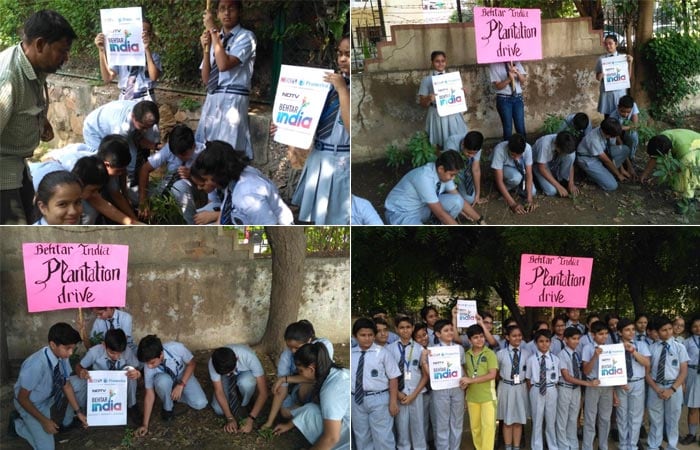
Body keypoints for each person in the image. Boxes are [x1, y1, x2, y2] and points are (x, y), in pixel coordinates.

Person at [0, 10, 76, 224]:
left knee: (30, 232)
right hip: (3, 175)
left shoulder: (35, 66)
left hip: (18, 168)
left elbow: (23, 104)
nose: (66, 58)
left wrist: (41, 121)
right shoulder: (8, 78)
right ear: (40, 44)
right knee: (14, 244)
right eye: (62, 50)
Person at [290, 35, 351, 225]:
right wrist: (287, 126)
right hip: (319, 154)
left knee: (336, 216)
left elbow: (351, 128)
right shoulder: (327, 85)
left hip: (340, 159)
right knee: (316, 214)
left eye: (348, 54)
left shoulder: (355, 88)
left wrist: (342, 90)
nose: (342, 59)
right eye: (340, 54)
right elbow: (307, 115)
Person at [9, 323, 87, 449]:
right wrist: (44, 421)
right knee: (47, 448)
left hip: (49, 396)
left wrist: (78, 412)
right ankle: (18, 425)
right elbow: (22, 398)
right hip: (32, 404)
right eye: (67, 348)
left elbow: (65, 384)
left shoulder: (62, 356)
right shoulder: (36, 365)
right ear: (52, 345)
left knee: (81, 382)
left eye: (73, 348)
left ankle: (67, 421)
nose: (71, 353)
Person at [198, 0, 256, 158]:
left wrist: (212, 31)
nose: (226, 13)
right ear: (216, 14)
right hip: (213, 97)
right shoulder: (216, 39)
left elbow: (223, 65)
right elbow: (206, 79)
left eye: (231, 9)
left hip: (233, 100)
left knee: (228, 152)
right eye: (222, 9)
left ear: (240, 12)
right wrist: (206, 49)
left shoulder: (246, 37)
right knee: (207, 149)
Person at [191, 140, 293, 225]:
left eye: (207, 179)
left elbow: (269, 229)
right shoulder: (233, 182)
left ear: (219, 173)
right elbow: (223, 215)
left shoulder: (247, 197)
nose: (208, 184)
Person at [272, 343, 350, 449]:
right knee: (311, 408)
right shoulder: (336, 372)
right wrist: (289, 425)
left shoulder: (331, 391)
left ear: (311, 369)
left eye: (300, 371)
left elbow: (332, 437)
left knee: (328, 438)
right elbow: (311, 379)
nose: (300, 374)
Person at [262, 320, 334, 430]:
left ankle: (309, 414)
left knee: (307, 386)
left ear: (309, 340)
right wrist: (269, 422)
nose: (293, 351)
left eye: (297, 347)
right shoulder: (286, 355)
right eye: (289, 347)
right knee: (285, 412)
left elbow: (319, 376)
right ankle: (305, 413)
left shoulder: (322, 347)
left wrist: (286, 379)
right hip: (299, 388)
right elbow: (282, 388)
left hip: (321, 387)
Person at [82, 99, 161, 196]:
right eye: (143, 127)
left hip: (113, 126)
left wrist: (157, 146)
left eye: (148, 127)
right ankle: (104, 195)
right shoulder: (121, 128)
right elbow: (121, 162)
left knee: (128, 163)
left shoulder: (144, 111)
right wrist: (123, 193)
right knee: (104, 167)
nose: (145, 131)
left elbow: (141, 141)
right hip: (95, 130)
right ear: (133, 117)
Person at [384, 151, 484, 225]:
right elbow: (440, 213)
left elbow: (459, 199)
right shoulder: (423, 177)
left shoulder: (444, 175)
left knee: (457, 201)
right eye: (452, 175)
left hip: (422, 208)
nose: (453, 178)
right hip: (401, 213)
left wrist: (480, 220)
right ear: (441, 169)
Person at [135, 335, 207, 437]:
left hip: (183, 375)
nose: (149, 366)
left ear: (160, 355)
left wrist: (181, 385)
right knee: (162, 381)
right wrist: (145, 425)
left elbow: (192, 364)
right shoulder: (148, 367)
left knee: (201, 403)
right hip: (165, 380)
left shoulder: (176, 348)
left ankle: (175, 397)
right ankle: (168, 408)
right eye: (147, 363)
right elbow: (149, 394)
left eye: (152, 363)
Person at [68, 329, 142, 425]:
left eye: (119, 354)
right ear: (104, 345)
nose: (116, 357)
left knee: (131, 376)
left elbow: (136, 367)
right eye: (112, 353)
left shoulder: (127, 351)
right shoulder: (95, 351)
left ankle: (132, 406)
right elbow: (79, 366)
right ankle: (81, 412)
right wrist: (81, 372)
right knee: (76, 382)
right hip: (100, 387)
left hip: (118, 386)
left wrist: (137, 373)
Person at [138, 124, 204, 224]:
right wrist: (143, 201)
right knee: (133, 192)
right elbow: (145, 169)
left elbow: (208, 184)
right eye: (177, 155)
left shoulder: (203, 153)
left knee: (180, 186)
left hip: (190, 191)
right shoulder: (170, 148)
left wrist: (191, 175)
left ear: (193, 146)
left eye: (184, 155)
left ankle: (193, 224)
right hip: (164, 188)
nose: (181, 158)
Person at [351, 317, 399, 450]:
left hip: (379, 398)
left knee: (383, 437)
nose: (367, 338)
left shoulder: (383, 353)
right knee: (362, 437)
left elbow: (393, 378)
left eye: (370, 335)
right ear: (355, 336)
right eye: (363, 335)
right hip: (356, 399)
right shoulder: (352, 354)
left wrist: (393, 401)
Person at [645, 317, 689, 450]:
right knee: (655, 419)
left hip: (674, 387)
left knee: (673, 420)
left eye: (670, 329)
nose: (668, 332)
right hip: (656, 387)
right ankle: (654, 446)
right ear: (657, 332)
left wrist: (672, 389)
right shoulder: (651, 348)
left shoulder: (680, 348)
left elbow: (683, 372)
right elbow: (646, 373)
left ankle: (672, 446)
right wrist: (657, 389)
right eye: (664, 330)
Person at [385, 316, 429, 450]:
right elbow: (386, 375)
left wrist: (414, 395)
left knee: (418, 427)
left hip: (416, 393)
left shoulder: (421, 349)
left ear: (413, 328)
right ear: (396, 330)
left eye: (408, 327)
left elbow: (426, 375)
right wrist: (397, 393)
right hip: (399, 394)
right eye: (402, 328)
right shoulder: (389, 349)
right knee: (402, 427)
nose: (405, 330)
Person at [95, 18, 162, 102]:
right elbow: (107, 78)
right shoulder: (120, 54)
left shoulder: (153, 56)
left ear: (150, 35)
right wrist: (101, 51)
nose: (141, 35)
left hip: (146, 98)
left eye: (144, 32)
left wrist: (146, 49)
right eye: (137, 31)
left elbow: (153, 77)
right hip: (124, 98)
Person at [208, 344, 269, 433]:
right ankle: (233, 391)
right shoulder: (214, 362)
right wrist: (230, 418)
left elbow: (264, 393)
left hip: (245, 371)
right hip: (225, 371)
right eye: (226, 373)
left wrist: (251, 419)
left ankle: (246, 402)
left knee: (247, 383)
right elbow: (219, 391)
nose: (229, 374)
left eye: (230, 372)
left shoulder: (249, 356)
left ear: (237, 358)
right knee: (218, 410)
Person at [557, 326, 600, 450]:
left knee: (573, 418)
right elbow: (566, 376)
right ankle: (563, 446)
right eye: (573, 339)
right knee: (562, 419)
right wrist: (588, 384)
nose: (576, 341)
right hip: (565, 388)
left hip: (576, 390)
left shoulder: (576, 354)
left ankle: (573, 444)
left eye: (578, 339)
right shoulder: (562, 355)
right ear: (565, 339)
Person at [418, 51, 468, 150]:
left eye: (443, 61)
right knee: (439, 142)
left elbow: (457, 97)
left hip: (452, 112)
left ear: (446, 62)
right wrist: (428, 98)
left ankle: (456, 162)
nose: (440, 64)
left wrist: (463, 93)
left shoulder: (453, 78)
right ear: (432, 62)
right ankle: (441, 163)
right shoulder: (427, 80)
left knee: (456, 138)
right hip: (437, 113)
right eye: (437, 61)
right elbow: (422, 103)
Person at [615, 318, 651, 450]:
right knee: (622, 416)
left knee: (635, 416)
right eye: (627, 330)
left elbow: (647, 363)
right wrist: (618, 382)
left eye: (633, 329)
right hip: (621, 384)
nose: (631, 332)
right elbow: (610, 370)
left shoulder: (641, 345)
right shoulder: (614, 347)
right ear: (619, 332)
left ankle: (633, 445)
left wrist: (633, 351)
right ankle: (623, 444)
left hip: (637, 382)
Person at [431, 319, 466, 450]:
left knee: (457, 422)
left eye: (451, 329)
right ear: (438, 334)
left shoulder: (459, 349)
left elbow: (462, 367)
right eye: (446, 330)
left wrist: (465, 382)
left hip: (457, 388)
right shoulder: (432, 351)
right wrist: (424, 359)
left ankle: (455, 448)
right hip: (440, 389)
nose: (450, 332)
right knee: (442, 423)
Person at [581, 321, 614, 450]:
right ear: (593, 334)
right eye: (600, 334)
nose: (604, 336)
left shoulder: (611, 348)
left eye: (606, 333)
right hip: (593, 384)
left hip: (607, 385)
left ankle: (603, 446)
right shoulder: (588, 348)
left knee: (605, 418)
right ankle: (587, 447)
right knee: (590, 418)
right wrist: (595, 356)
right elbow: (585, 371)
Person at [496, 325, 530, 450]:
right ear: (507, 337)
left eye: (519, 335)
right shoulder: (500, 354)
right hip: (506, 387)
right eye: (514, 336)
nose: (517, 338)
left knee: (518, 420)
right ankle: (508, 446)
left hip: (520, 387)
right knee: (507, 420)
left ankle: (516, 447)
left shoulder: (527, 354)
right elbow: (496, 373)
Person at [640, 130, 700, 200]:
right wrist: (645, 174)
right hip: (688, 144)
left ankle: (688, 198)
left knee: (682, 183)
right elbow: (655, 156)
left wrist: (668, 175)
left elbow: (682, 169)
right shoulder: (660, 139)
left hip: (694, 150)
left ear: (668, 152)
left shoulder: (684, 152)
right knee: (675, 182)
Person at [576, 117, 631, 191]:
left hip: (601, 153)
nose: (613, 138)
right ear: (607, 134)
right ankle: (590, 176)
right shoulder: (593, 139)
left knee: (625, 149)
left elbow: (610, 153)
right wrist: (619, 175)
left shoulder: (607, 129)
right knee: (612, 185)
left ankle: (606, 171)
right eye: (612, 136)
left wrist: (622, 169)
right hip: (588, 160)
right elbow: (606, 160)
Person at [526, 329, 560, 450]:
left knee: (551, 420)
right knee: (537, 420)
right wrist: (535, 390)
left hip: (551, 389)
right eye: (541, 341)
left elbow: (557, 378)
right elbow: (528, 379)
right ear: (535, 343)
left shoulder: (555, 359)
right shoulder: (531, 360)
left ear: (550, 342)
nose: (544, 344)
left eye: (547, 341)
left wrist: (551, 389)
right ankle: (537, 446)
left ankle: (552, 446)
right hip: (536, 389)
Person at [491, 134, 535, 214]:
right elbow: (499, 180)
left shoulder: (528, 148)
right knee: (516, 178)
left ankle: (512, 189)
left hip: (521, 171)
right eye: (513, 154)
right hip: (505, 170)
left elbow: (529, 174)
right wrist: (513, 204)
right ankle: (504, 189)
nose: (516, 158)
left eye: (519, 155)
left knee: (533, 192)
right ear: (508, 147)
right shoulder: (499, 149)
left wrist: (529, 199)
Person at [596, 34, 633, 118]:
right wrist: (601, 75)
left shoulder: (623, 58)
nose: (608, 46)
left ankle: (620, 131)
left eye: (610, 43)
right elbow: (598, 78)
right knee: (608, 116)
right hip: (607, 92)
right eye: (606, 44)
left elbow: (628, 77)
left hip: (619, 92)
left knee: (620, 114)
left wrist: (630, 63)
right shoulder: (601, 59)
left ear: (616, 44)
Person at [532, 131, 579, 198]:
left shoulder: (566, 142)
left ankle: (562, 179)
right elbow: (542, 168)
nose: (564, 154)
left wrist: (571, 183)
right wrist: (559, 187)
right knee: (552, 191)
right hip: (539, 165)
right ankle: (537, 179)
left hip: (552, 161)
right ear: (557, 146)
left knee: (571, 155)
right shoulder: (544, 144)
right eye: (563, 152)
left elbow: (571, 163)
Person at [444, 131, 486, 206]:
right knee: (455, 199)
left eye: (474, 153)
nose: (471, 156)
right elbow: (450, 168)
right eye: (469, 153)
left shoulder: (476, 146)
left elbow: (475, 169)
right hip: (450, 169)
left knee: (470, 199)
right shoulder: (451, 142)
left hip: (464, 170)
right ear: (463, 144)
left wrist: (477, 194)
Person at [489, 60, 527, 140]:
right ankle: (508, 149)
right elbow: (498, 86)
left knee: (520, 126)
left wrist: (517, 72)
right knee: (507, 128)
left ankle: (523, 149)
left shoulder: (516, 62)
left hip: (518, 98)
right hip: (504, 99)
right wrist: (509, 79)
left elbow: (523, 81)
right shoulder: (494, 65)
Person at [681, 315, 700, 445]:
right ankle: (692, 434)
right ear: (691, 328)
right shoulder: (687, 342)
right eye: (695, 326)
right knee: (693, 407)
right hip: (692, 373)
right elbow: (683, 362)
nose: (698, 328)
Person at [609, 95, 640, 166]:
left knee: (633, 135)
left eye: (628, 112)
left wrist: (629, 127)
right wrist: (621, 143)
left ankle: (631, 156)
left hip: (625, 129)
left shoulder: (633, 105)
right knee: (616, 144)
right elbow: (615, 132)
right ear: (618, 107)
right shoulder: (613, 116)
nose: (626, 114)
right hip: (616, 133)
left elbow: (635, 125)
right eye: (622, 111)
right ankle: (623, 158)